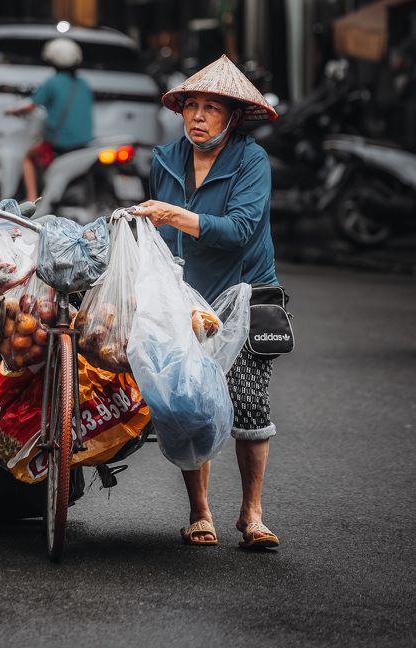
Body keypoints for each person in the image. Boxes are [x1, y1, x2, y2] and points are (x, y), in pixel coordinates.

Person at [134, 53, 282, 550]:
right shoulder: (167, 159)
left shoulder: (251, 161)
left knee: (248, 404)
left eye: (211, 107)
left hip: (244, 292)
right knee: (189, 403)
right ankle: (200, 513)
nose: (197, 116)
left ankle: (252, 514)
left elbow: (240, 231)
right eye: (190, 106)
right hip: (185, 296)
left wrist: (174, 215)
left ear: (233, 116)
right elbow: (157, 235)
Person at [5, 37, 93, 201]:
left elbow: (31, 105)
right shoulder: (83, 83)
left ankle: (31, 200)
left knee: (28, 157)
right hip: (84, 144)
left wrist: (11, 111)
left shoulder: (52, 82)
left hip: (59, 144)